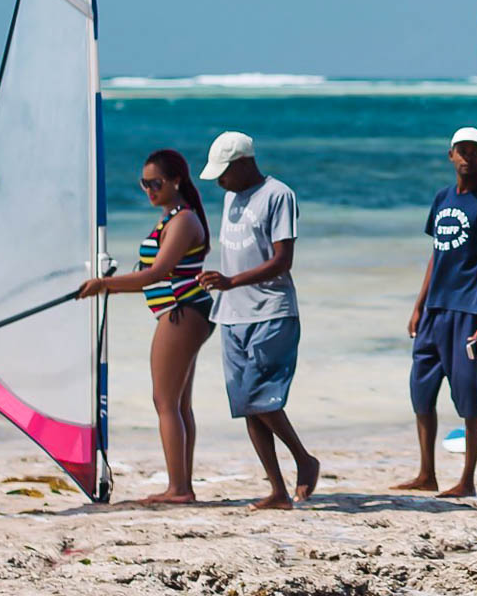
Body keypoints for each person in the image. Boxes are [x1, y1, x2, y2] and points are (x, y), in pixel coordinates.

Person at [76, 149, 214, 504]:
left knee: (165, 401)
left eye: (156, 183)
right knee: (179, 403)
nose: (149, 190)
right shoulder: (172, 217)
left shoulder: (183, 220)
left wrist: (104, 285)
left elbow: (157, 273)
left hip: (182, 311)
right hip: (183, 311)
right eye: (144, 183)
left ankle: (178, 489)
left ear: (176, 181)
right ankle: (182, 486)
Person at [194, 132, 319, 511]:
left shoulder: (279, 195)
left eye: (224, 173)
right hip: (232, 314)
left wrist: (231, 281)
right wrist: (221, 283)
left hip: (271, 312)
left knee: (259, 397)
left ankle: (303, 459)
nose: (219, 182)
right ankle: (278, 491)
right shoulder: (231, 196)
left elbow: (283, 260)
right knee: (247, 404)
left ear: (244, 163)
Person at [394, 127, 477, 498]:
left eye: (475, 152)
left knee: (466, 394)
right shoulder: (443, 198)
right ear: (450, 156)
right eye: (462, 151)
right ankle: (426, 473)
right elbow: (437, 254)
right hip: (434, 312)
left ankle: (467, 480)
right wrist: (418, 305)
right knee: (421, 391)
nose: (468, 157)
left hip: (469, 313)